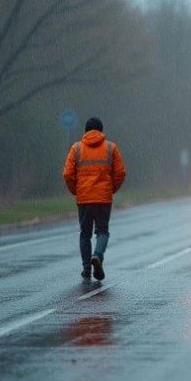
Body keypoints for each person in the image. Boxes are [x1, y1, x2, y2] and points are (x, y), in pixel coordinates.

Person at [63, 117, 126, 280]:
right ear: (101, 131)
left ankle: (86, 269)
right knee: (102, 231)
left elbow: (67, 174)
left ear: (85, 131)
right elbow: (120, 173)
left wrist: (76, 190)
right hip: (103, 198)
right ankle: (97, 255)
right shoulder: (111, 148)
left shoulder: (76, 148)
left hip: (84, 198)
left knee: (85, 234)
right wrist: (111, 189)